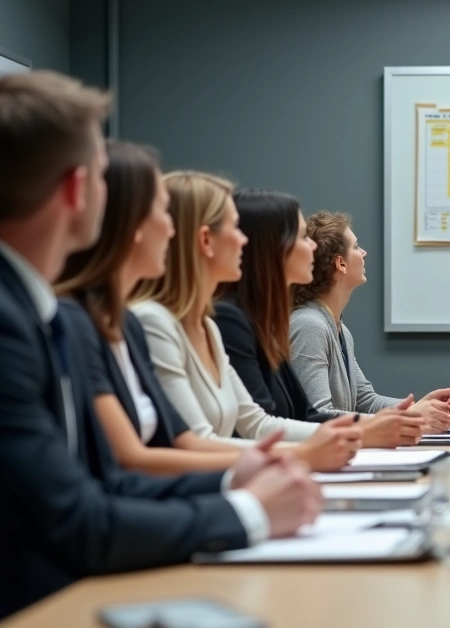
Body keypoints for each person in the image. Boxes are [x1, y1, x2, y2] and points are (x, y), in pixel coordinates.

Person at [0, 70, 321, 619]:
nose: (169, 227)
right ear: (79, 190)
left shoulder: (51, 317)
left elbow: (111, 483)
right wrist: (247, 511)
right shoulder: (19, 323)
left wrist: (231, 479)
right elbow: (80, 518)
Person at [130, 171, 362, 470]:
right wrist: (348, 437)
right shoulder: (158, 321)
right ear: (205, 240)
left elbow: (255, 422)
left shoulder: (210, 326)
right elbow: (194, 442)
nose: (243, 240)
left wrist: (361, 431)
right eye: (234, 228)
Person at [55, 140, 248, 474]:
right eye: (162, 211)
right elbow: (132, 461)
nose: (172, 229)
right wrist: (291, 461)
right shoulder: (89, 321)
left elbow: (180, 440)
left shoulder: (128, 324)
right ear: (133, 224)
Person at [213, 189, 433, 447]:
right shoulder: (305, 323)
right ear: (274, 248)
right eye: (303, 236)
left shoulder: (277, 323)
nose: (314, 247)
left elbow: (321, 409)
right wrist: (380, 426)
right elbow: (276, 423)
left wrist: (409, 411)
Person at [291, 210, 450, 432]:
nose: (364, 252)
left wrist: (420, 407)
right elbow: (318, 415)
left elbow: (365, 401)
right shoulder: (309, 325)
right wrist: (410, 416)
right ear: (340, 264)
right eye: (356, 246)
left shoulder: (340, 330)